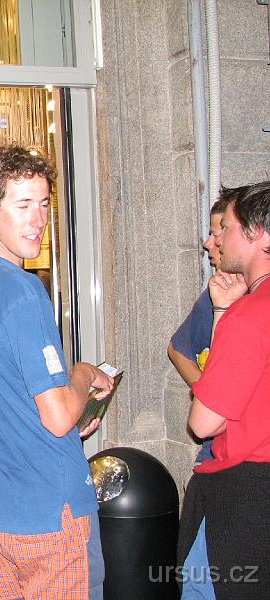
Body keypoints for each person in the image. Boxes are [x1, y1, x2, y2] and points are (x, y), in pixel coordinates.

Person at [0, 145, 112, 598]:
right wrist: (83, 374)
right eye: (22, 205)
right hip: (48, 513)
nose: (39, 219)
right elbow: (58, 416)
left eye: (43, 204)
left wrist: (58, 418)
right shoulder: (21, 290)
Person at [178, 181, 270, 600]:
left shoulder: (250, 315)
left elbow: (203, 423)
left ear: (256, 234)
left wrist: (226, 315)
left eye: (226, 228)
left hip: (244, 496)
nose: (213, 240)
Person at [168, 189, 246, 465]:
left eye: (217, 233)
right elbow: (178, 348)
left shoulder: (256, 301)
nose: (208, 243)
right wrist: (209, 394)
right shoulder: (212, 298)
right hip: (215, 452)